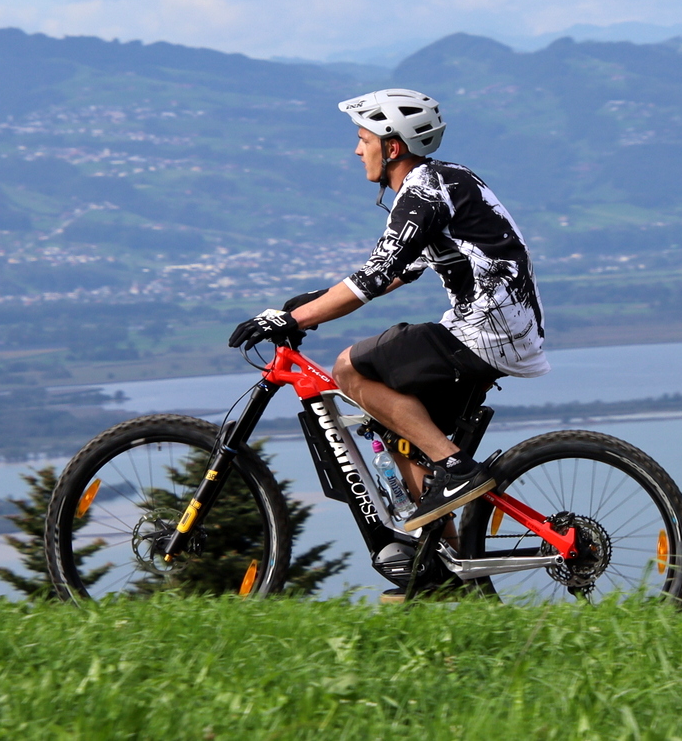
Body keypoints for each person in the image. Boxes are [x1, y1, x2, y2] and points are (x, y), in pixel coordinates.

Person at [227, 88, 549, 543]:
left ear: (392, 146)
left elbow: (373, 280)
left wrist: (291, 321)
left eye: (364, 140)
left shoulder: (422, 193)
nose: (357, 151)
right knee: (401, 438)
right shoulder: (446, 179)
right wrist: (310, 303)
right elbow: (402, 270)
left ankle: (457, 468)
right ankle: (445, 565)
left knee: (349, 368)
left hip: (486, 332)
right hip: (504, 329)